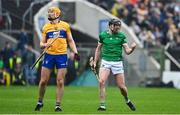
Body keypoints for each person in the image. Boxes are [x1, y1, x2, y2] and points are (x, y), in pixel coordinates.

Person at [34, 6, 79, 112]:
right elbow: (41, 43)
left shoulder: (65, 26)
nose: (49, 14)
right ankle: (40, 101)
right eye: (49, 12)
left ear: (57, 14)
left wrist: (75, 52)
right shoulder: (46, 27)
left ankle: (58, 105)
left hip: (62, 55)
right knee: (43, 81)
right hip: (49, 55)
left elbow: (70, 40)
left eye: (52, 12)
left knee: (60, 81)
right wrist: (45, 45)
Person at [93, 19, 136, 111]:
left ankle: (127, 100)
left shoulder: (121, 36)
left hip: (117, 62)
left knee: (121, 87)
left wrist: (132, 48)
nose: (118, 29)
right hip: (106, 61)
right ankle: (102, 105)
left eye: (119, 27)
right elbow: (98, 49)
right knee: (101, 82)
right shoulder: (103, 35)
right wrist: (95, 61)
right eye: (116, 27)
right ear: (110, 26)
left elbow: (127, 51)